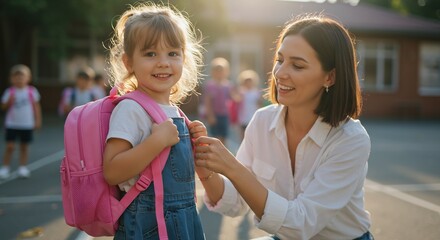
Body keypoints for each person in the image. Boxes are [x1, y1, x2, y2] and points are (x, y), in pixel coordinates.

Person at [194, 15, 374, 240]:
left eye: (297, 65)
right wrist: (205, 169)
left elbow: (301, 224)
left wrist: (231, 167)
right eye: (280, 60)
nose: (279, 73)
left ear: (330, 77)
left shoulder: (350, 139)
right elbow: (236, 202)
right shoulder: (261, 121)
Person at [103, 3, 207, 240]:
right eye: (150, 54)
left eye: (173, 53)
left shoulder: (176, 112)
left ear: (184, 57)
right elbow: (112, 170)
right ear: (128, 63)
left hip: (184, 221)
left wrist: (193, 141)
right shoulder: (131, 108)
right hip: (147, 226)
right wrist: (156, 141)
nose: (163, 62)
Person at [0, 64, 42, 179]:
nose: (19, 79)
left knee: (24, 146)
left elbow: (36, 107)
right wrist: (9, 101)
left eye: (22, 76)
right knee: (10, 146)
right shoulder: (9, 92)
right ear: (11, 79)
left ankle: (22, 167)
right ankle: (5, 167)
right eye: (16, 77)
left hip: (26, 124)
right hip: (12, 124)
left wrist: (37, 120)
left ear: (28, 78)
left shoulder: (32, 91)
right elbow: (3, 107)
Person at [201, 57, 238, 145]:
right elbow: (207, 102)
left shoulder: (228, 85)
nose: (219, 73)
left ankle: (222, 154)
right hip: (214, 115)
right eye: (217, 70)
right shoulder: (210, 86)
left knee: (224, 137)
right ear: (213, 72)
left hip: (225, 115)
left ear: (226, 72)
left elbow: (234, 99)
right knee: (214, 137)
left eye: (222, 70)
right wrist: (210, 115)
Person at [236, 69, 263, 140]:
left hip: (253, 117)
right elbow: (236, 101)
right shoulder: (241, 91)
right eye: (246, 81)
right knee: (242, 136)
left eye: (250, 81)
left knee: (252, 136)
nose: (248, 83)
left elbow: (259, 104)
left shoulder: (256, 92)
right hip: (243, 118)